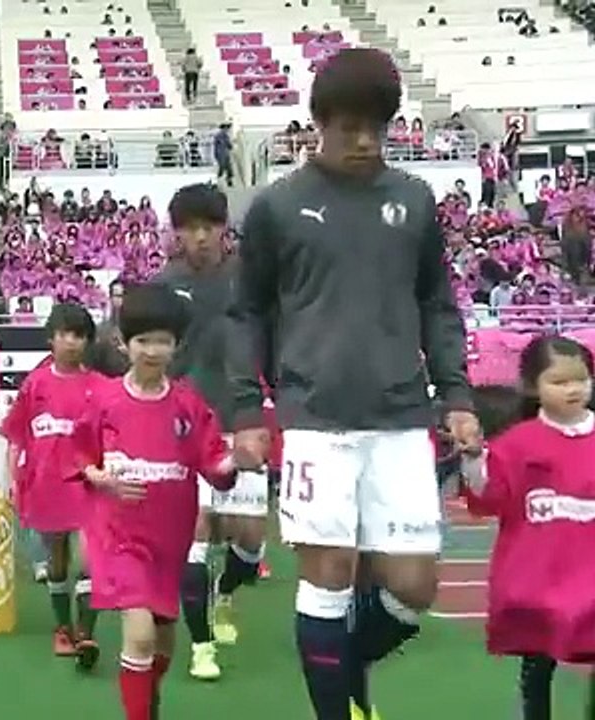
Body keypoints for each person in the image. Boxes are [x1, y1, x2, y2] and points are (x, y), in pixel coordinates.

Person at [228, 48, 482, 720]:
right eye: (351, 127)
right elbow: (247, 309)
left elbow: (437, 301)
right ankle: (337, 711)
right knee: (330, 574)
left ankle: (337, 673)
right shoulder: (277, 207)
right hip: (315, 420)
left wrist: (455, 393)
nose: (366, 140)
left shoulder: (414, 198)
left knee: (412, 587)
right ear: (317, 122)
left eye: (380, 127)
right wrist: (247, 405)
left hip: (401, 416)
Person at [71, 283, 235, 720]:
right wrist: (99, 478)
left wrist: (236, 462)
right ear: (123, 344)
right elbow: (79, 455)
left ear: (177, 346)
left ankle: (145, 697)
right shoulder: (103, 400)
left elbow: (214, 463)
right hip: (118, 535)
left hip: (170, 537)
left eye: (163, 341)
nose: (153, 350)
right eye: (144, 340)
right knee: (139, 634)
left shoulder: (189, 405)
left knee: (162, 639)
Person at [153, 183, 268, 680]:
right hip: (183, 425)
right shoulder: (163, 283)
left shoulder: (250, 278)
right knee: (194, 534)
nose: (200, 237)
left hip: (241, 419)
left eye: (209, 226)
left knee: (249, 541)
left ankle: (226, 592)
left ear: (224, 228)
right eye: (190, 228)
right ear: (177, 233)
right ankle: (202, 647)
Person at [460, 336, 595, 720]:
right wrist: (473, 462)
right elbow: (489, 500)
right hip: (540, 582)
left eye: (580, 379)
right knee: (537, 671)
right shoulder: (516, 445)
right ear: (534, 387)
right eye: (559, 381)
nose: (573, 389)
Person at [0, 302, 102, 666]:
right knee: (57, 560)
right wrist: (13, 479)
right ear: (51, 339)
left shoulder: (100, 387)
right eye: (65, 335)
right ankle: (64, 629)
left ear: (88, 341)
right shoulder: (36, 384)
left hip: (89, 486)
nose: (71, 342)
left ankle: (87, 634)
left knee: (92, 560)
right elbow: (15, 435)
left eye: (79, 335)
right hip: (46, 483)